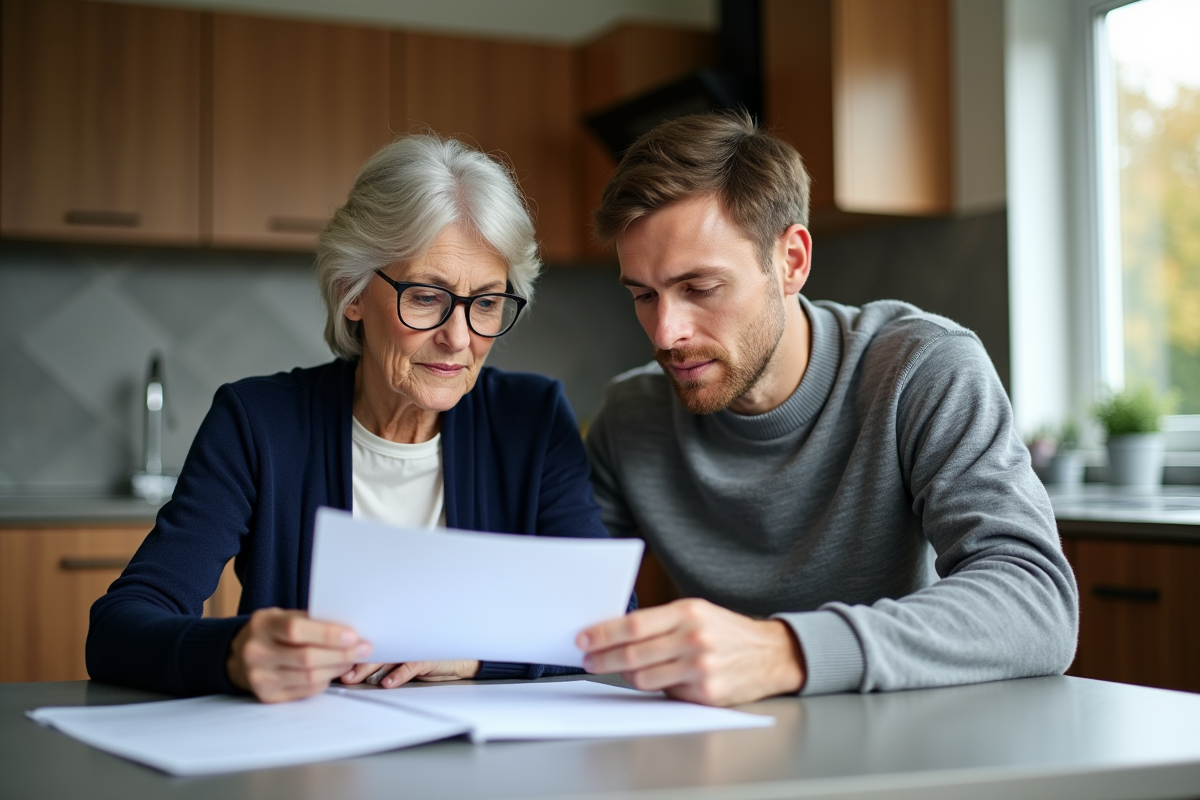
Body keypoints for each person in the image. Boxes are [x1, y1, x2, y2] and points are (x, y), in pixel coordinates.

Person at [88, 134, 621, 703]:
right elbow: (119, 628)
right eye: (425, 296)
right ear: (352, 293)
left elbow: (607, 627)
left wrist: (470, 656)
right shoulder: (258, 422)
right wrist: (233, 651)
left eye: (487, 302)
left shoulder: (533, 420)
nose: (459, 339)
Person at [575, 112, 1079, 706]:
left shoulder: (921, 369)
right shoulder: (631, 414)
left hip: (902, 741)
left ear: (791, 261)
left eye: (701, 288)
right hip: (724, 748)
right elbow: (564, 603)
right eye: (643, 295)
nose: (666, 332)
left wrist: (783, 651)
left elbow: (1037, 603)